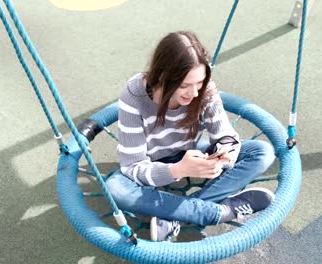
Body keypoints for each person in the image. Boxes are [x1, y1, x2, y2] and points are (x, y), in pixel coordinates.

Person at [106, 31, 276, 242]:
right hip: (151, 161)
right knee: (116, 189)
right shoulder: (134, 96)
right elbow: (133, 166)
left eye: (199, 83)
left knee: (261, 152)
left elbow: (225, 134)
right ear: (162, 76)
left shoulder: (204, 91)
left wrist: (223, 155)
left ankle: (176, 216)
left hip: (190, 152)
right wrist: (177, 170)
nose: (193, 93)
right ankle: (221, 212)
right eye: (184, 85)